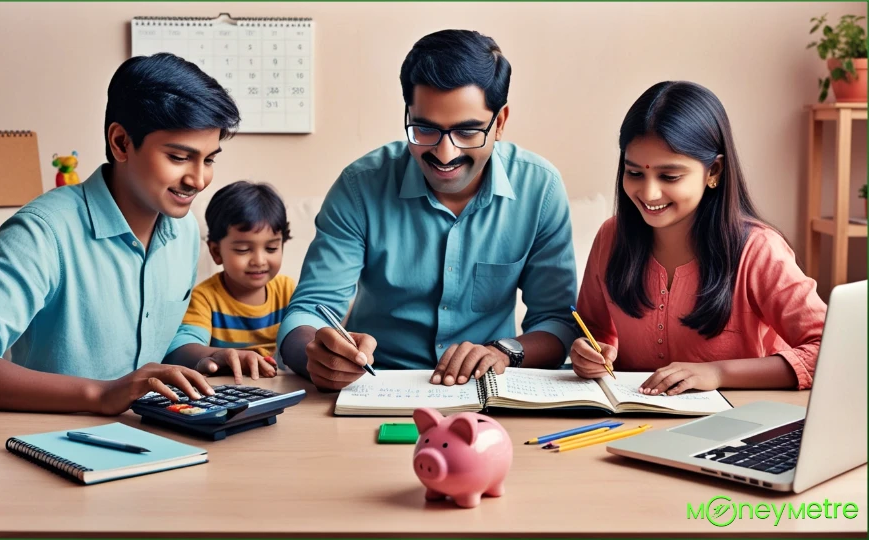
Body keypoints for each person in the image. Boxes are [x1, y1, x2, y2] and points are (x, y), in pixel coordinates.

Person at [0, 53, 240, 413]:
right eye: (179, 157)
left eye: (209, 159)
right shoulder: (43, 232)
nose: (199, 179)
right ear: (120, 143)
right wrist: (100, 395)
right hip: (51, 446)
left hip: (156, 437)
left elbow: (155, 338)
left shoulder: (184, 230)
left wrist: (205, 356)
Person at [278, 29, 579, 391]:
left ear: (499, 123)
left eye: (468, 132)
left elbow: (557, 321)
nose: (445, 154)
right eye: (425, 129)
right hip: (376, 384)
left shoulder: (540, 188)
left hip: (487, 388)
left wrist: (503, 352)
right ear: (408, 113)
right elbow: (309, 309)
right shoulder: (360, 186)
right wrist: (314, 357)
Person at [571, 81, 826, 394]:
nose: (649, 193)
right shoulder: (611, 238)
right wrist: (588, 354)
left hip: (736, 427)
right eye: (635, 173)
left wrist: (718, 374)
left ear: (714, 170)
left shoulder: (757, 250)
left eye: (670, 176)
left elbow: (830, 350)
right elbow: (593, 330)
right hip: (632, 423)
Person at [164, 181, 294, 384]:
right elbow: (181, 348)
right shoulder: (205, 298)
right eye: (243, 249)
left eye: (271, 248)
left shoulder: (288, 291)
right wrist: (219, 355)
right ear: (216, 252)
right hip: (231, 390)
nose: (259, 260)